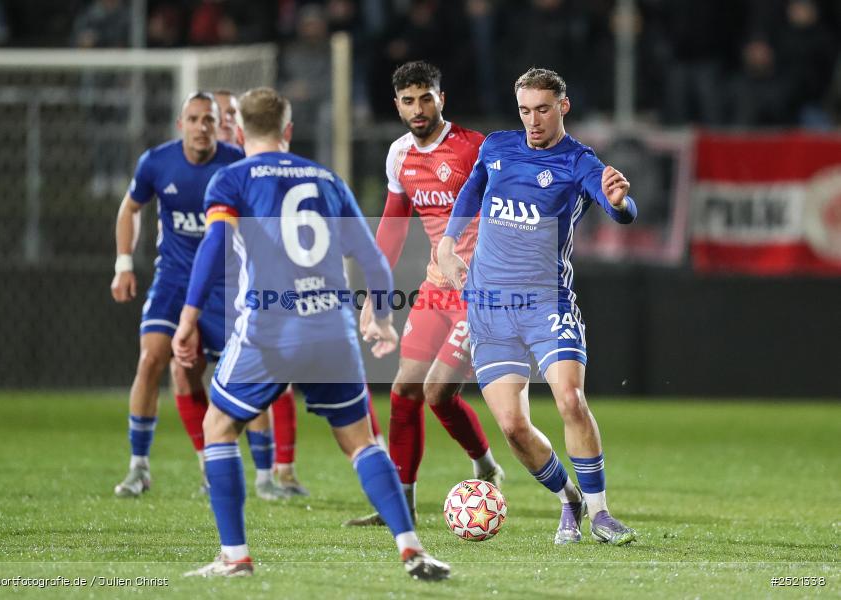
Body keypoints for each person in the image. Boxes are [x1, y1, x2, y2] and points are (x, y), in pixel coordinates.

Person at [173, 87, 449, 579]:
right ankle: (412, 549)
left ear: (238, 132)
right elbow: (371, 260)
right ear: (289, 132)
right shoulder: (326, 179)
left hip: (270, 330)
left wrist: (189, 317)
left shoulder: (231, 178)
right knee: (362, 441)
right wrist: (381, 316)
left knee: (218, 427)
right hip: (333, 330)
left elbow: (213, 249)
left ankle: (235, 556)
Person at [437, 68, 637, 546]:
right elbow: (473, 188)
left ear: (562, 106)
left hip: (547, 302)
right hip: (489, 306)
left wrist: (621, 203)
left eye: (543, 109)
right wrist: (448, 241)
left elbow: (618, 209)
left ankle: (600, 513)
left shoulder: (579, 162)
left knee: (570, 399)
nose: (533, 120)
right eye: (525, 110)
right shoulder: (498, 147)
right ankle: (567, 498)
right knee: (511, 426)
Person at [347, 61, 503, 527]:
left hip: (480, 293)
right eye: (409, 100)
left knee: (438, 393)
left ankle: (484, 463)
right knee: (403, 391)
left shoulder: (474, 149)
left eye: (426, 98)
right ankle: (401, 506)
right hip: (436, 288)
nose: (419, 108)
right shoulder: (398, 155)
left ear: (442, 98)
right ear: (396, 105)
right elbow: (393, 228)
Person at [110, 91, 288, 501]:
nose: (201, 127)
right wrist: (123, 264)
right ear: (181, 124)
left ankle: (264, 477)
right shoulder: (157, 161)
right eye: (193, 119)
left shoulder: (235, 163)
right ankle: (141, 468)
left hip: (227, 285)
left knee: (248, 371)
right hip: (173, 280)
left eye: (208, 119)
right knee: (154, 359)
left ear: (217, 124)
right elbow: (129, 208)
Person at [213, 89, 304, 498]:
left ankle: (275, 472)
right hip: (229, 287)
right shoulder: (225, 169)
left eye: (230, 114)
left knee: (270, 381)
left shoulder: (255, 169)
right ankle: (232, 468)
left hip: (258, 291)